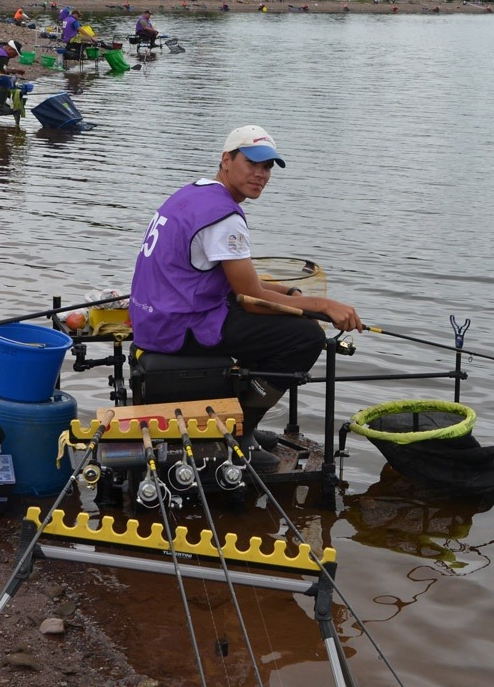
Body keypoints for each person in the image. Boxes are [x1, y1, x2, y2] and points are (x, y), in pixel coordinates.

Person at [129, 125, 362, 467]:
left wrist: (289, 293)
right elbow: (250, 297)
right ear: (226, 159)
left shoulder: (194, 193)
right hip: (180, 327)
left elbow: (235, 280)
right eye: (252, 163)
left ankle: (234, 418)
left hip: (155, 317)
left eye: (268, 167)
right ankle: (240, 432)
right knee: (305, 338)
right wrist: (322, 305)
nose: (261, 174)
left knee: (282, 321)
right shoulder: (224, 216)